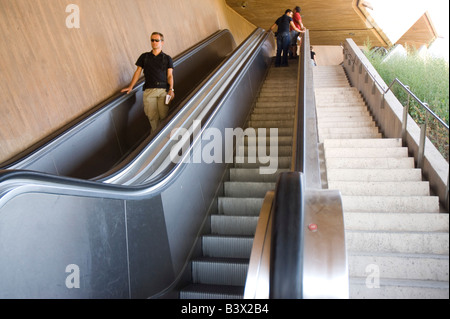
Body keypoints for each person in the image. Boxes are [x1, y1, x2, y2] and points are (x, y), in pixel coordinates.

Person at [122, 32, 175, 132]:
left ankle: (163, 137)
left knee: (163, 116)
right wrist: (131, 87)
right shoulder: (144, 57)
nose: (154, 42)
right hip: (149, 91)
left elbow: (170, 75)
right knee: (152, 117)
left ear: (162, 42)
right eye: (152, 40)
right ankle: (156, 139)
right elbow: (138, 72)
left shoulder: (167, 58)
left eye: (157, 40)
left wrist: (171, 89)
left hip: (163, 91)